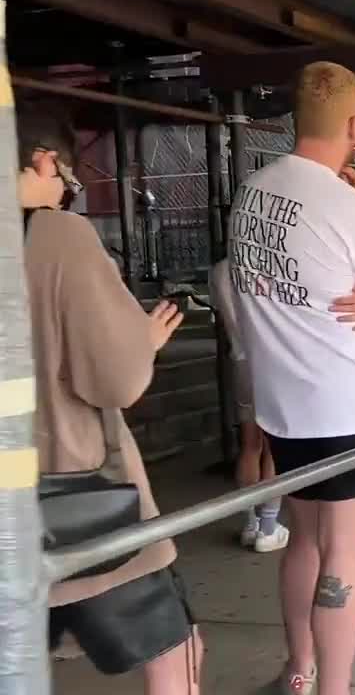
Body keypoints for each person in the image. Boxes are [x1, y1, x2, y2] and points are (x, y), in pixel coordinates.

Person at [229, 62, 355, 695]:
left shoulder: (251, 194)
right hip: (352, 411)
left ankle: (299, 671)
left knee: (303, 543)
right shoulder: (350, 204)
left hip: (284, 409)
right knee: (343, 557)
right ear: (353, 124)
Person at [22, 104, 203, 692]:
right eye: (69, 180)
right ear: (44, 160)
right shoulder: (55, 233)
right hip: (72, 496)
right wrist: (144, 340)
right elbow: (115, 380)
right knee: (175, 650)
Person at [210, 257, 289, 552]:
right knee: (273, 446)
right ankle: (269, 526)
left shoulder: (220, 270)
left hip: (240, 359)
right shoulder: (272, 266)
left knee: (249, 444)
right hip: (273, 361)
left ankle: (250, 522)